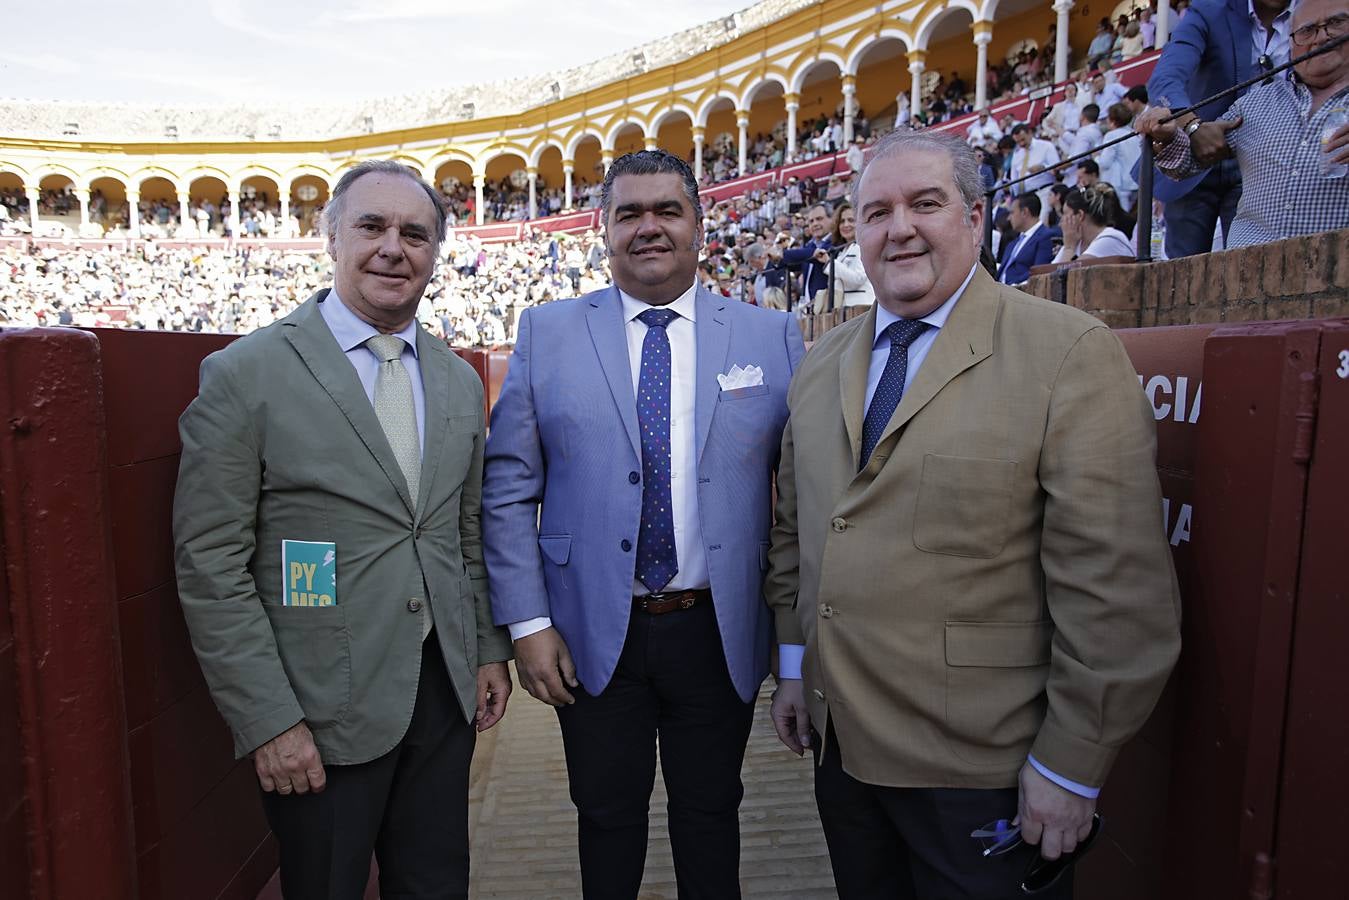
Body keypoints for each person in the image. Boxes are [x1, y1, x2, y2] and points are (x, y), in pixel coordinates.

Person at [765, 128, 1181, 900]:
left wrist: (1070, 766)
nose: (899, 229)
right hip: (842, 752)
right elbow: (798, 533)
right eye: (876, 211)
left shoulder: (1067, 353)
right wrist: (794, 669)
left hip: (986, 769)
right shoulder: (821, 361)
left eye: (925, 203)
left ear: (975, 215)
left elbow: (1116, 591)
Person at [173, 160, 513, 900]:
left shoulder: (454, 378)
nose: (394, 248)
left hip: (441, 694)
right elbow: (211, 568)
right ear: (330, 238)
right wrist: (269, 721)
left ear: (435, 252)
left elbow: (462, 532)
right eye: (372, 226)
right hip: (319, 706)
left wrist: (487, 648)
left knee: (436, 884)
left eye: (415, 233)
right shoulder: (246, 374)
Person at [482, 149, 806, 900]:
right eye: (628, 212)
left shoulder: (770, 337)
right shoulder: (546, 330)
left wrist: (791, 654)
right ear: (604, 229)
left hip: (716, 626)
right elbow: (507, 488)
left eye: (666, 210)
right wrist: (527, 624)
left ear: (699, 223)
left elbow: (797, 499)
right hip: (590, 630)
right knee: (603, 816)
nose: (648, 227)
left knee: (711, 812)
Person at [1137, 0, 1349, 247]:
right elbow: (1166, 77)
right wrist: (1181, 128)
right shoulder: (1210, 11)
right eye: (1308, 30)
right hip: (1209, 138)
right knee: (1184, 271)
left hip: (1260, 161)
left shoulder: (1310, 7)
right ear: (1293, 41)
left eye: (1335, 23)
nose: (1321, 37)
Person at [1146, 0, 1296, 256]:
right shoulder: (1209, 11)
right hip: (1194, 158)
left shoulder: (1315, 12)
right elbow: (1164, 79)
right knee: (1182, 277)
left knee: (1252, 267)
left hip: (1265, 164)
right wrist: (1193, 126)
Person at [1052, 183, 1137, 262]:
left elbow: (1071, 274)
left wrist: (1069, 249)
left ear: (1080, 215)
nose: (1060, 222)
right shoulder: (1075, 241)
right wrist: (1068, 247)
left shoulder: (1110, 238)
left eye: (1065, 213)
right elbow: (1047, 273)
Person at [774, 202, 834, 306]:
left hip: (828, 307)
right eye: (811, 221)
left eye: (819, 219)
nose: (814, 224)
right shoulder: (810, 246)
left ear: (832, 220)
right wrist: (776, 259)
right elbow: (796, 262)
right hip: (809, 308)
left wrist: (783, 254)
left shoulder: (836, 241)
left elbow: (817, 256)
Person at [997, 192, 1057, 284]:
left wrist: (1010, 287)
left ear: (1025, 212)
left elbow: (1039, 272)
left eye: (1012, 212)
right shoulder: (1012, 243)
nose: (1008, 218)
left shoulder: (1046, 237)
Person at [826, 202, 875, 309]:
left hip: (861, 309)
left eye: (851, 220)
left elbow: (857, 279)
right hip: (844, 311)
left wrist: (830, 263)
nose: (846, 225)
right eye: (842, 221)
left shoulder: (863, 246)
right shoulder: (841, 252)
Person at [1098, 102, 1142, 210]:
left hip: (1121, 186)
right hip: (1137, 182)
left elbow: (1105, 163)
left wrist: (1096, 157)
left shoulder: (1112, 135)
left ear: (1112, 119)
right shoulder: (1136, 134)